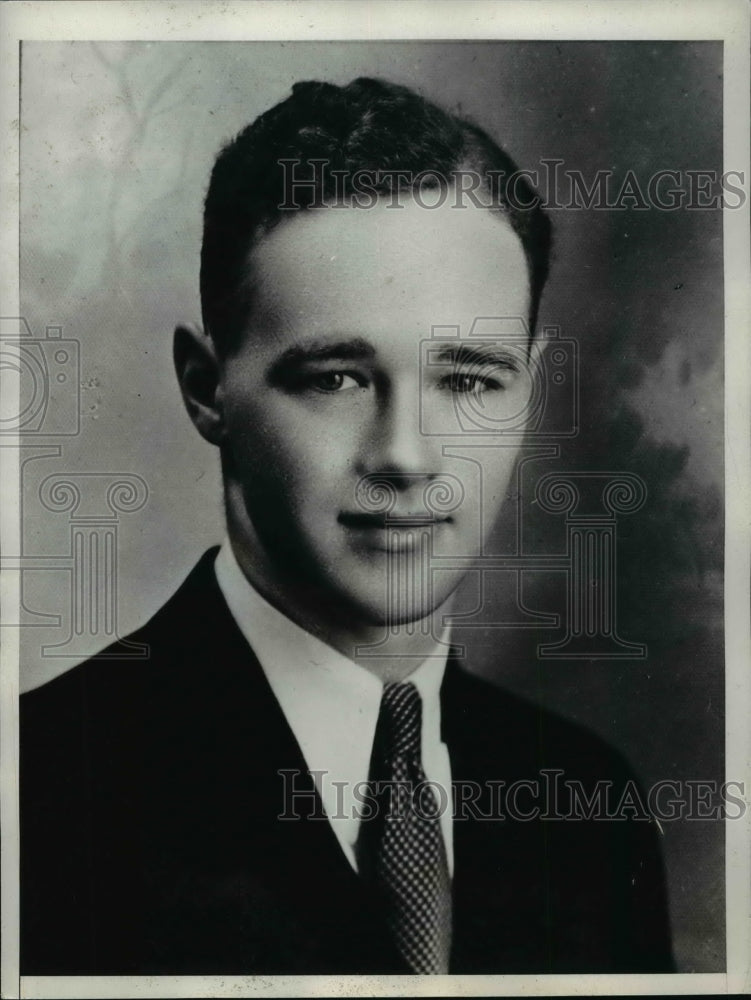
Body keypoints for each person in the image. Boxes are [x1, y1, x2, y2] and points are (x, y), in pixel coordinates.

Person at [20, 78, 675, 975]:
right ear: (208, 390)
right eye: (335, 378)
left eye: (468, 379)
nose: (406, 456)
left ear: (530, 384)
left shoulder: (587, 805)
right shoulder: (40, 792)